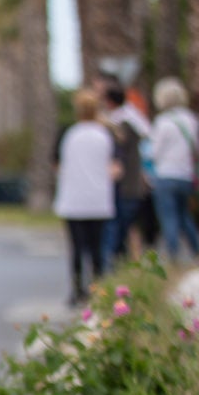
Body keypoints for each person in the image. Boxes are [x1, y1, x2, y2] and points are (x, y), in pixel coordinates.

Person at [55, 89, 119, 306]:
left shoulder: (70, 135)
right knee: (97, 249)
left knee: (76, 249)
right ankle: (98, 289)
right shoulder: (105, 136)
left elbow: (58, 165)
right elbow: (115, 168)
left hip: (73, 199)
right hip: (98, 198)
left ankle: (77, 289)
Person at [150, 77, 199, 262]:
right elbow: (197, 149)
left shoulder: (162, 121)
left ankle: (172, 256)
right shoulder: (191, 119)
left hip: (166, 174)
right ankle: (197, 251)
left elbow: (154, 152)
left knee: (168, 217)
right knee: (184, 216)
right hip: (186, 175)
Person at [99, 77, 151, 263]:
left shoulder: (118, 126)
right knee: (126, 227)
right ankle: (122, 261)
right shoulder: (135, 120)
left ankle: (112, 263)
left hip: (124, 186)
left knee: (116, 228)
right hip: (133, 185)